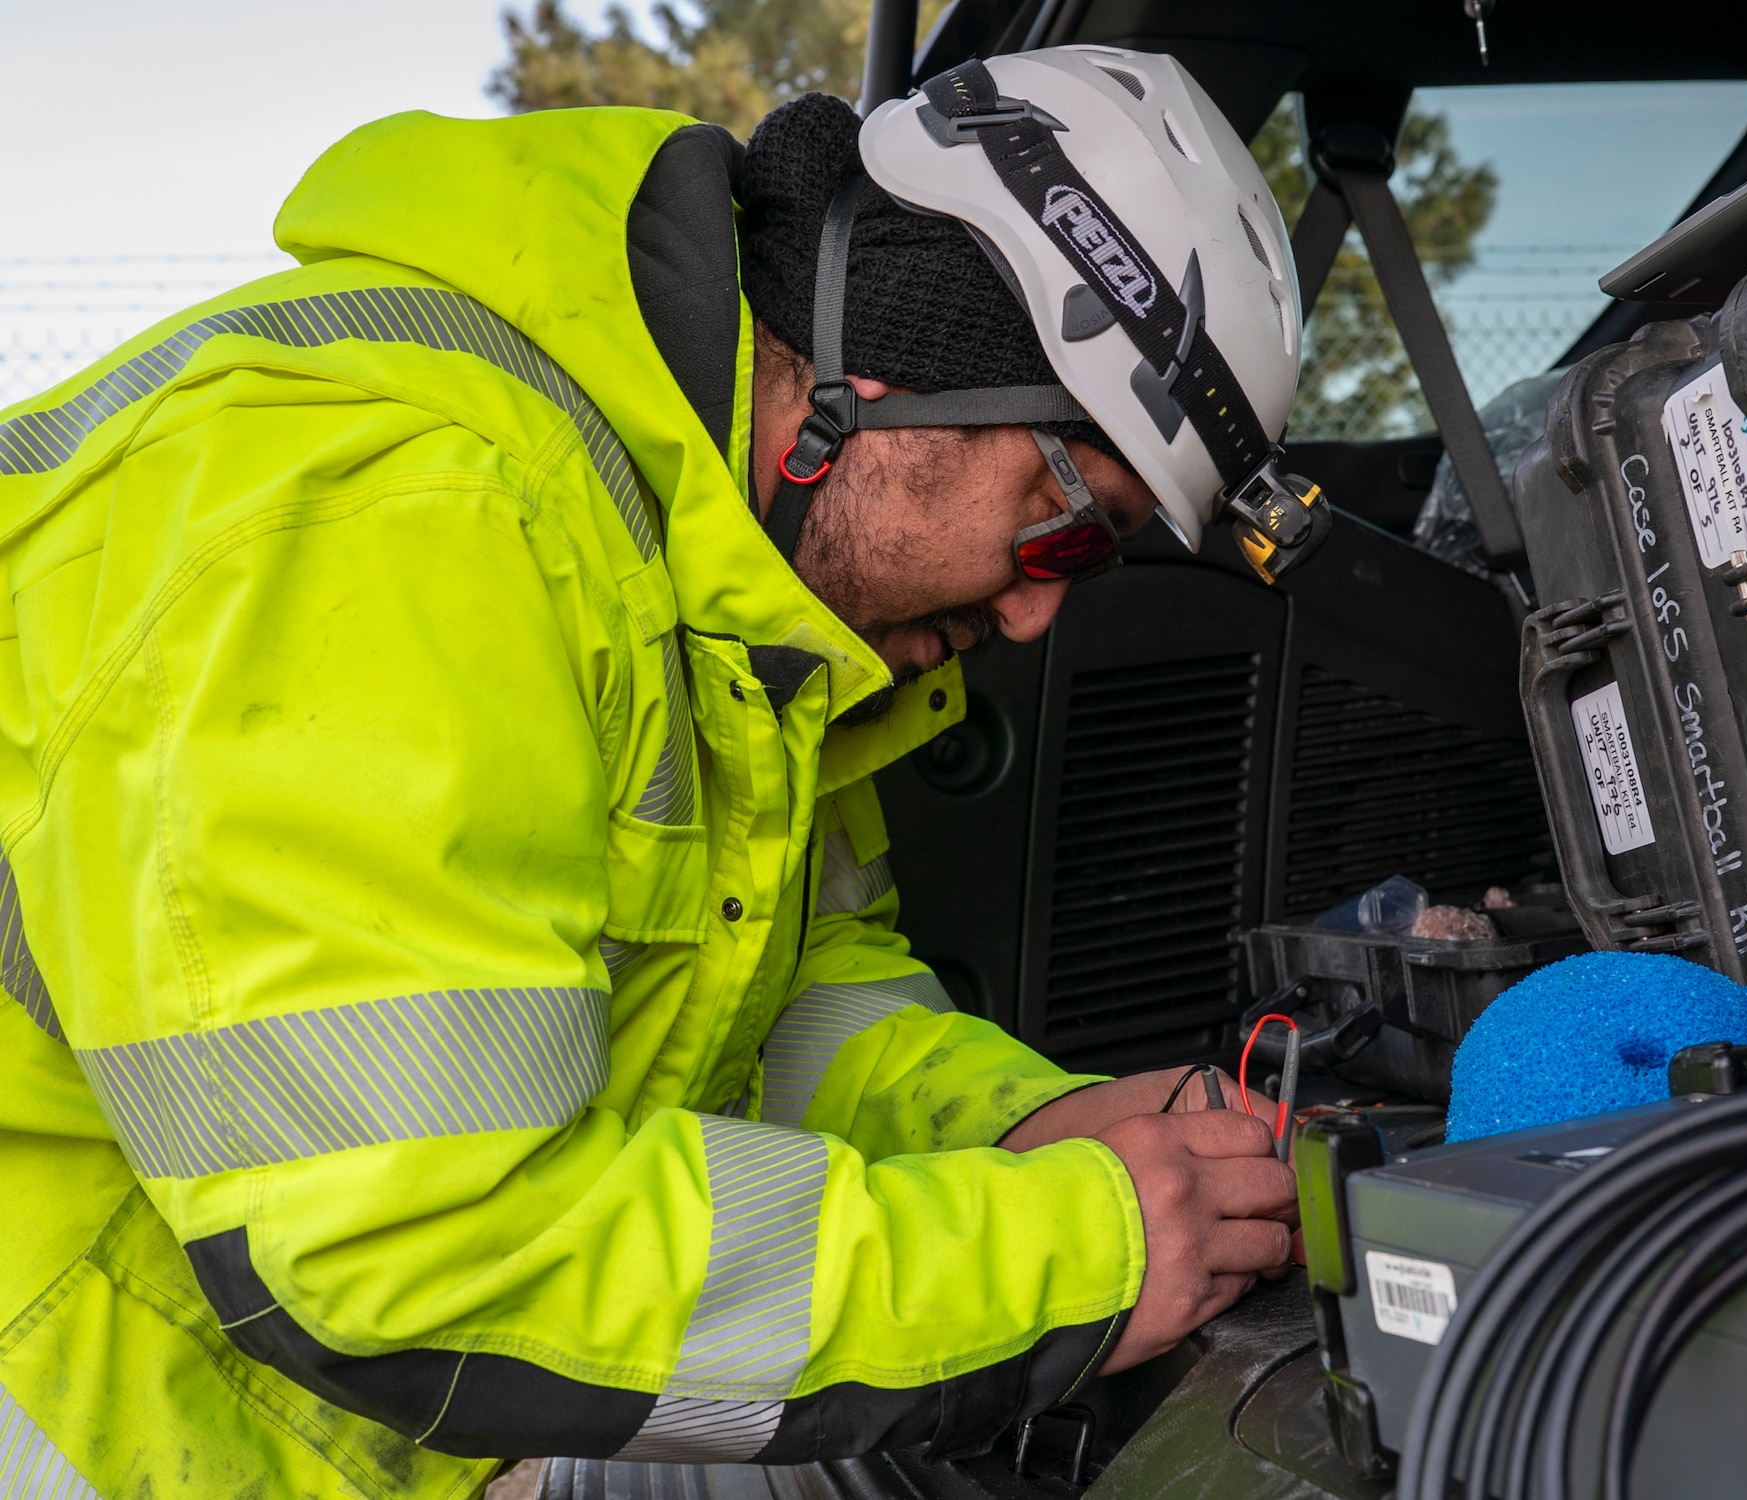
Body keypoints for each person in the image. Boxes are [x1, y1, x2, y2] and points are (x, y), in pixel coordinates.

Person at [0, 47, 1313, 1498]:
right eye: (1069, 523)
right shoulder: (390, 521)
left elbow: (783, 996)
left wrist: (1019, 1129)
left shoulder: (736, 612)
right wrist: (1078, 1253)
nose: (1035, 611)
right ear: (897, 377)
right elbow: (423, 1244)